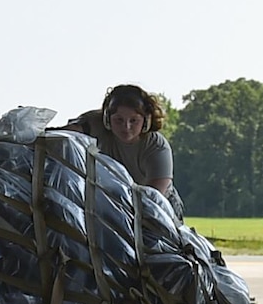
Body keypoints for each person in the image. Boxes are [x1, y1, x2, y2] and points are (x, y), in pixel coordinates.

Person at [67, 84, 184, 215]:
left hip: (161, 207)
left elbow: (153, 197)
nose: (126, 127)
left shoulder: (156, 146)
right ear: (107, 119)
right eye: (119, 120)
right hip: (115, 201)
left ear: (146, 121)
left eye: (133, 120)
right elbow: (65, 133)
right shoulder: (95, 124)